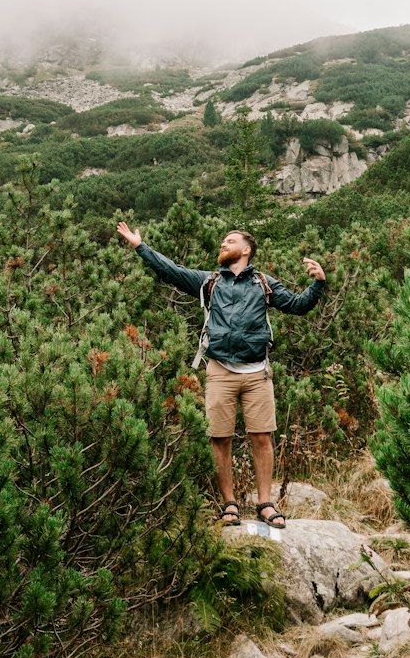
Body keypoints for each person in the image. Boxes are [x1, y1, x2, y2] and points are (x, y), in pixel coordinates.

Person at [116, 222, 326, 528]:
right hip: (220, 371)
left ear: (246, 250)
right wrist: (140, 246)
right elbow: (171, 271)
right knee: (219, 439)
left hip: (257, 373)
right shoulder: (209, 281)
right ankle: (230, 504)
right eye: (222, 242)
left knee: (262, 437)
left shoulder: (264, 283)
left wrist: (318, 283)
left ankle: (266, 504)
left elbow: (298, 305)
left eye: (230, 241)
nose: (223, 245)